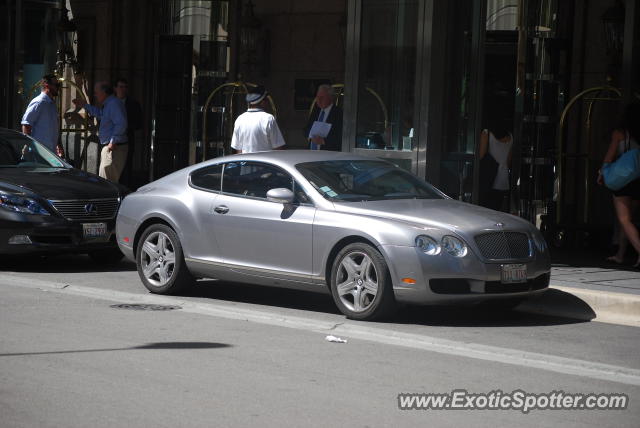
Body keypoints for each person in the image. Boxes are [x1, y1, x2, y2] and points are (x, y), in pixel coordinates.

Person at [598, 103, 640, 267]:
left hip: (625, 181)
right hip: (639, 180)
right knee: (629, 220)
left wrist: (602, 173)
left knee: (624, 219)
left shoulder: (620, 133)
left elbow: (609, 157)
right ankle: (620, 254)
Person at [73, 81, 128, 182]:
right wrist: (85, 105)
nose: (95, 95)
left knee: (107, 182)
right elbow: (101, 114)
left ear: (104, 92)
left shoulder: (113, 103)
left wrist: (113, 141)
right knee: (106, 180)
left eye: (96, 92)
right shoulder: (109, 103)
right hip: (111, 147)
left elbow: (121, 123)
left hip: (114, 148)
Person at [231, 86, 286, 154]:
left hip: (246, 163)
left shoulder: (240, 119)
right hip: (264, 163)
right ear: (262, 102)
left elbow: (238, 150)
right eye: (266, 100)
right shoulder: (268, 119)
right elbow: (278, 149)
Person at [21, 74, 64, 156]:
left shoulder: (52, 104)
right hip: (38, 152)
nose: (58, 88)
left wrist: (58, 145)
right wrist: (27, 145)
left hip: (50, 152)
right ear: (47, 85)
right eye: (56, 85)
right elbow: (26, 124)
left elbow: (54, 128)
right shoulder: (39, 102)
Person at [478, 121, 513, 211]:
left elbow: (480, 155)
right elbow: (508, 162)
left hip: (488, 180)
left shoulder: (487, 133)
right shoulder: (510, 137)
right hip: (503, 181)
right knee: (496, 211)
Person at [114, 77, 143, 186]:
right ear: (115, 88)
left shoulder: (134, 104)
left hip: (127, 141)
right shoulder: (110, 102)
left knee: (126, 168)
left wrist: (126, 127)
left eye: (125, 87)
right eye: (121, 87)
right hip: (111, 142)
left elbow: (139, 124)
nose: (123, 89)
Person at [304, 84, 343, 151]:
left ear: (330, 97)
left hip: (328, 154)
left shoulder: (338, 113)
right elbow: (306, 130)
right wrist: (310, 136)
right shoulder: (316, 110)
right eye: (317, 97)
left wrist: (324, 141)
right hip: (312, 153)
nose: (318, 100)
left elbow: (341, 137)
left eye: (322, 97)